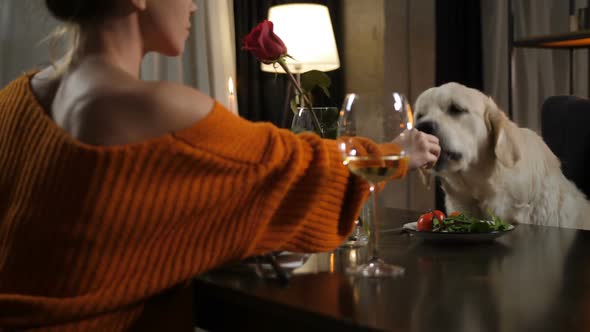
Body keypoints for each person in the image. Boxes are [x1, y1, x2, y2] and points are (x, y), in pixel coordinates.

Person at [0, 0, 441, 330]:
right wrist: (399, 151)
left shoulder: (12, 101)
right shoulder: (161, 110)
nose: (193, 4)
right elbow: (303, 169)